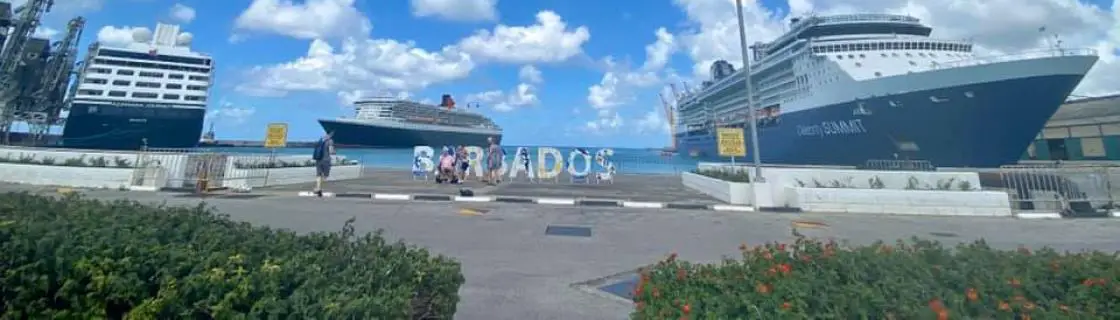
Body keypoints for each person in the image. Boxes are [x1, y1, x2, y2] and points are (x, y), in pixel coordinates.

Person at [312, 131, 335, 197]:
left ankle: (318, 188)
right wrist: (334, 152)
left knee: (318, 175)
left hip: (318, 159)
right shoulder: (330, 141)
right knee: (326, 175)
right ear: (331, 133)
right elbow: (331, 151)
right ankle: (317, 188)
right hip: (326, 160)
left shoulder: (321, 139)